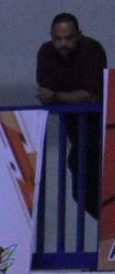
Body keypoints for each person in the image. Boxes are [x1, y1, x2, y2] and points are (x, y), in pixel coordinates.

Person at [36, 13, 106, 218]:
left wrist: (58, 96)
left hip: (101, 132)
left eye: (68, 38)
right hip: (78, 135)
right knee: (82, 193)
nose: (63, 44)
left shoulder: (91, 50)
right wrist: (72, 96)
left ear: (79, 36)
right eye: (58, 39)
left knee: (96, 190)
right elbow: (44, 94)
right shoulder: (46, 53)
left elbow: (92, 95)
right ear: (52, 37)